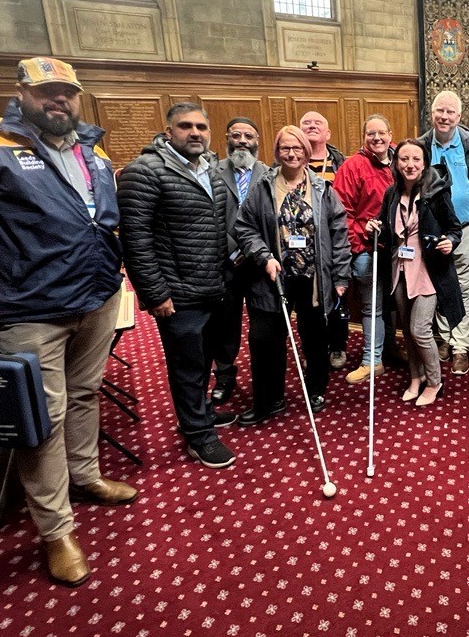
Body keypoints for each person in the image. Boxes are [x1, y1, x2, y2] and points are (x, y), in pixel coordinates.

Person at [0, 57, 136, 587]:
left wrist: (117, 275)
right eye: (47, 91)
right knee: (43, 417)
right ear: (22, 92)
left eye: (67, 91)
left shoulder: (94, 149)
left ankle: (85, 476)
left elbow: (101, 221)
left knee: (85, 392)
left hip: (96, 297)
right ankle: (55, 530)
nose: (58, 100)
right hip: (28, 307)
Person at [117, 102, 237, 469]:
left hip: (212, 287)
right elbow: (135, 239)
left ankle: (198, 415)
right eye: (186, 126)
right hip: (178, 293)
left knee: (201, 360)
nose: (195, 132)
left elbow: (217, 231)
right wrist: (155, 293)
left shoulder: (212, 171)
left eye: (202, 126)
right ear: (168, 132)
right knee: (186, 365)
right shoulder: (146, 171)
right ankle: (198, 435)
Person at [233, 126, 351, 422]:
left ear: (306, 152)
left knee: (315, 338)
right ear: (277, 151)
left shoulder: (322, 188)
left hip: (314, 278)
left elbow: (339, 233)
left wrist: (339, 277)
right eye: (285, 148)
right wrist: (263, 257)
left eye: (297, 148)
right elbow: (243, 227)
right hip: (273, 277)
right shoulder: (263, 186)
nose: (292, 153)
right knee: (264, 341)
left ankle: (316, 390)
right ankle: (269, 400)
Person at [367, 139, 463, 407]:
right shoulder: (391, 194)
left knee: (420, 329)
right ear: (397, 163)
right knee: (406, 331)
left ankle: (434, 381)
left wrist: (450, 242)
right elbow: (388, 231)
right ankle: (415, 377)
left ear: (424, 163)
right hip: (399, 269)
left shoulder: (436, 193)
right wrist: (375, 228)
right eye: (404, 159)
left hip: (428, 270)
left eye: (416, 160)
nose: (410, 165)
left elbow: (455, 229)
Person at [417, 91, 469, 375]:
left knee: (466, 288)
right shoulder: (420, 145)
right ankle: (444, 337)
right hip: (433, 231)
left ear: (459, 116)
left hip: (467, 227)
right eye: (439, 111)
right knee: (441, 284)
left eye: (450, 112)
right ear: (431, 113)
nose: (444, 117)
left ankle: (461, 347)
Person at [332, 114, 395, 384]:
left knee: (394, 306)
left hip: (398, 250)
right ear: (364, 137)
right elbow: (341, 212)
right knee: (373, 308)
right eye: (371, 133)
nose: (377, 138)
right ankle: (372, 360)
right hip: (367, 250)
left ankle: (387, 350)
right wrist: (359, 243)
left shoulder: (400, 162)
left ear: (390, 135)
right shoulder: (352, 166)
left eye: (381, 133)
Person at [210, 117, 268, 406]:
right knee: (226, 324)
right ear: (227, 138)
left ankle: (264, 379)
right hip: (225, 261)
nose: (242, 141)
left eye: (249, 136)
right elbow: (208, 218)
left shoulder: (268, 174)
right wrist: (231, 250)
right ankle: (224, 375)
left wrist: (256, 250)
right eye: (236, 135)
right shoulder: (212, 172)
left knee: (263, 326)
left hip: (258, 263)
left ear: (258, 141)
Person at [299, 110, 349, 369]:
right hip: (302, 245)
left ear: (328, 133)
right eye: (306, 123)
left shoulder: (341, 162)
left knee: (337, 293)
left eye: (318, 122)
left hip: (334, 238)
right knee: (309, 302)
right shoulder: (291, 162)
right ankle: (313, 349)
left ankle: (338, 346)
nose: (311, 126)